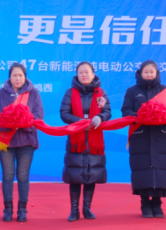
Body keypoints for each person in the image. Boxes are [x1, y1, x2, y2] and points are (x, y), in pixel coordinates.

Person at [121, 60, 166, 218]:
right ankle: (145, 204)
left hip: (161, 135)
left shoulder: (165, 90)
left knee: (160, 169)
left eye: (151, 72)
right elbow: (126, 110)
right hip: (140, 134)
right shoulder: (132, 91)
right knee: (142, 169)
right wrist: (140, 115)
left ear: (156, 73)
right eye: (146, 72)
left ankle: (157, 204)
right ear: (140, 73)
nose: (148, 74)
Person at [0, 63, 45, 222]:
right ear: (9, 77)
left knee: (23, 175)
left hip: (26, 141)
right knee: (7, 175)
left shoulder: (33, 93)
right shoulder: (0, 93)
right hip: (6, 142)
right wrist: (9, 119)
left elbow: (39, 115)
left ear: (25, 77)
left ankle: (22, 209)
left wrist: (23, 119)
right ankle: (8, 208)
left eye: (20, 75)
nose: (17, 78)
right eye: (14, 75)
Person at [59, 61, 111, 221]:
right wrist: (80, 122)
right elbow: (64, 113)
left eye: (87, 72)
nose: (84, 75)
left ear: (93, 74)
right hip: (76, 141)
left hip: (94, 142)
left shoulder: (101, 93)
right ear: (77, 74)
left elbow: (107, 111)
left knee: (91, 174)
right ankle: (74, 210)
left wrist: (100, 117)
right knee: (75, 175)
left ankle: (87, 209)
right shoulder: (70, 92)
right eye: (81, 72)